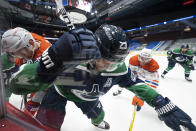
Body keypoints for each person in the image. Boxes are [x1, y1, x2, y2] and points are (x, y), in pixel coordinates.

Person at [7, 24, 196, 131]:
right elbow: (17, 86)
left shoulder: (119, 68)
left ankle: (97, 121)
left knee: (98, 116)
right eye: (104, 58)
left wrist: (161, 103)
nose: (109, 65)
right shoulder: (71, 60)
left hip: (86, 97)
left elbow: (138, 85)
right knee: (46, 126)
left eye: (116, 60)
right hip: (60, 93)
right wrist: (51, 61)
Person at [1, 27, 51, 116]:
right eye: (15, 53)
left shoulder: (46, 57)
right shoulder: (25, 37)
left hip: (38, 74)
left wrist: (28, 112)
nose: (19, 56)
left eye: (21, 52)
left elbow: (42, 88)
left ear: (31, 44)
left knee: (34, 100)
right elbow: (12, 35)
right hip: (25, 67)